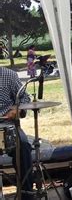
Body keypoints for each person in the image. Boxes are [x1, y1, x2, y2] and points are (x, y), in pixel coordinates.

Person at [0, 67, 34, 199]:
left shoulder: (9, 75)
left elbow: (24, 98)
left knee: (23, 146)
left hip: (7, 125)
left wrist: (16, 110)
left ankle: (27, 193)